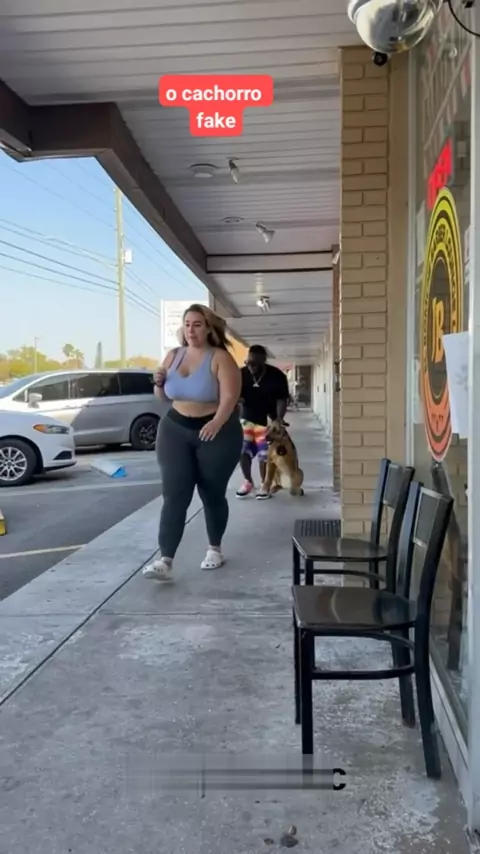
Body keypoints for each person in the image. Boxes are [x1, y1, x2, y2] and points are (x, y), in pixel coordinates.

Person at [142, 304, 243, 582]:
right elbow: (163, 397)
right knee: (174, 494)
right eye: (187, 324)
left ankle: (214, 549)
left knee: (211, 493)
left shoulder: (220, 357)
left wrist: (217, 422)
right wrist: (159, 383)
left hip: (216, 431)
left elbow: (230, 397)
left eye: (197, 324)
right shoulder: (173, 355)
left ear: (208, 328)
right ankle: (165, 560)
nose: (191, 330)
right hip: (175, 429)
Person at [236, 345, 290, 500]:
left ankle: (265, 484)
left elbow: (282, 399)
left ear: (263, 361)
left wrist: (278, 419)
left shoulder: (276, 376)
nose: (250, 366)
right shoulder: (241, 374)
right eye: (248, 363)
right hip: (247, 417)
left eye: (254, 364)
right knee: (242, 451)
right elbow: (232, 394)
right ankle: (248, 482)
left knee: (264, 454)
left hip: (269, 420)